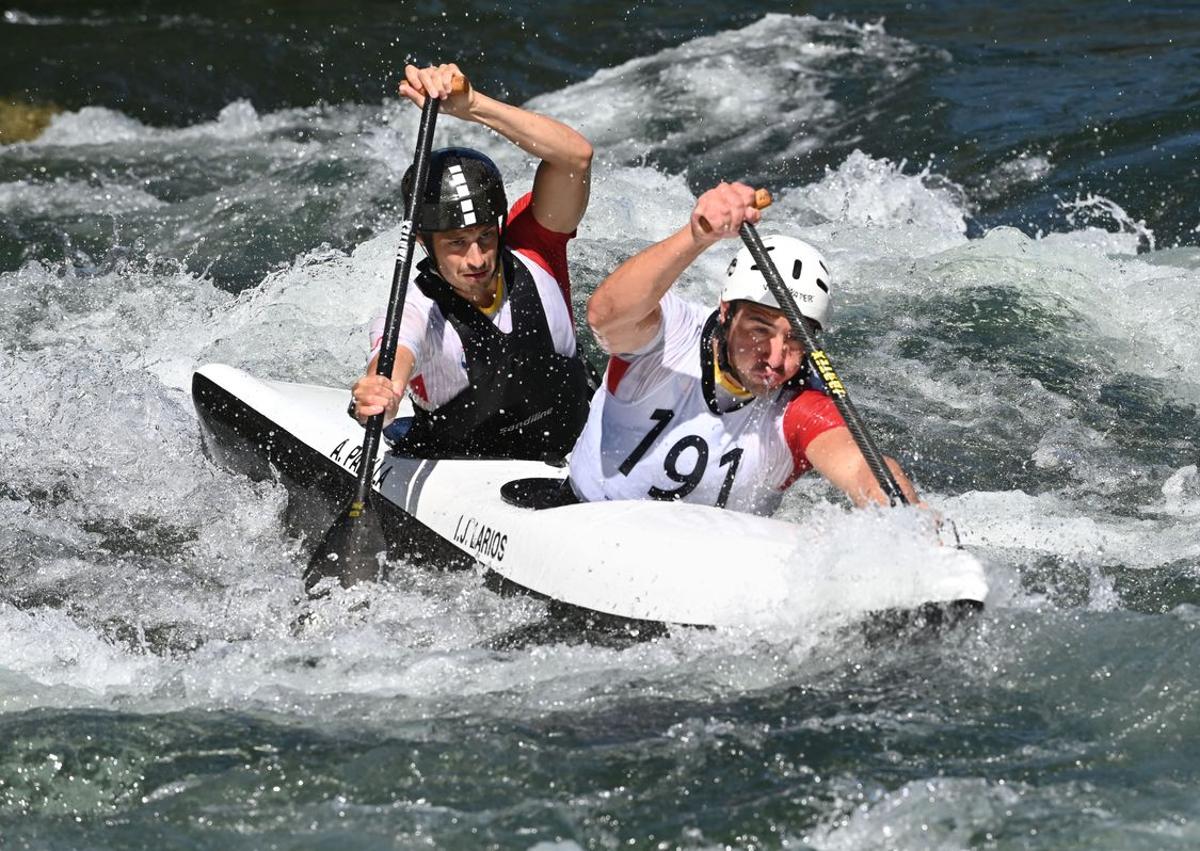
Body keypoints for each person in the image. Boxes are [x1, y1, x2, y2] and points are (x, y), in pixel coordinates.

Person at [567, 180, 922, 513]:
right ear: (726, 312)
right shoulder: (673, 335)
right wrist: (696, 237)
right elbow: (604, 316)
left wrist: (905, 517)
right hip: (581, 513)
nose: (776, 358)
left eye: (796, 339)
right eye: (759, 329)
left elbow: (861, 466)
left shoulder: (799, 403)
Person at [350, 62, 594, 462]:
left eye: (485, 236)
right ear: (423, 242)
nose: (478, 258)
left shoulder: (535, 251)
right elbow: (392, 361)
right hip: (470, 477)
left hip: (577, 450)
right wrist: (381, 393)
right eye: (457, 243)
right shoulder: (414, 311)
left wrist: (473, 105)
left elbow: (576, 158)